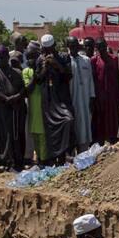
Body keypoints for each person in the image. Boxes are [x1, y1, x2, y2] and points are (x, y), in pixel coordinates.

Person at [0, 45, 27, 170]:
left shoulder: (17, 72)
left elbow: (24, 89)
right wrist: (5, 98)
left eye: (2, 57)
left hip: (15, 109)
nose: (0, 60)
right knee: (2, 135)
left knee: (16, 135)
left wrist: (16, 97)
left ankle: (17, 161)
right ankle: (4, 162)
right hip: (0, 110)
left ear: (8, 57)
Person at [36, 34, 74, 162]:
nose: (48, 52)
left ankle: (66, 153)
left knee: (68, 120)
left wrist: (57, 65)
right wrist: (45, 68)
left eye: (50, 49)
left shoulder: (63, 57)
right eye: (46, 49)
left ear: (54, 47)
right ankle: (54, 157)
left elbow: (69, 76)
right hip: (48, 98)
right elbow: (38, 80)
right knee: (50, 128)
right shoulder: (39, 60)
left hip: (62, 97)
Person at [90, 38, 119, 145]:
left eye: (103, 46)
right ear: (96, 48)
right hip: (100, 94)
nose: (101, 49)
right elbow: (93, 79)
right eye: (99, 47)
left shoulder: (114, 59)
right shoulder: (94, 61)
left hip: (113, 94)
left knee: (113, 117)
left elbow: (118, 76)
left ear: (106, 46)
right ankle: (101, 141)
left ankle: (113, 138)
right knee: (101, 118)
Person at [66, 37, 95, 152]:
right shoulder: (66, 61)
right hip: (72, 99)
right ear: (68, 46)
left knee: (85, 125)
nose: (73, 47)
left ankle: (83, 152)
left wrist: (92, 96)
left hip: (85, 99)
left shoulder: (86, 60)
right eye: (71, 45)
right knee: (74, 126)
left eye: (75, 45)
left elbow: (91, 80)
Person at [22, 42, 47, 163]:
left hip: (44, 106)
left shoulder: (44, 69)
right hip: (33, 107)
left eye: (33, 57)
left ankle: (44, 158)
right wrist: (35, 72)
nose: (31, 60)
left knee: (43, 134)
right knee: (35, 133)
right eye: (28, 58)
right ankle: (36, 158)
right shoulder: (26, 72)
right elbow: (29, 89)